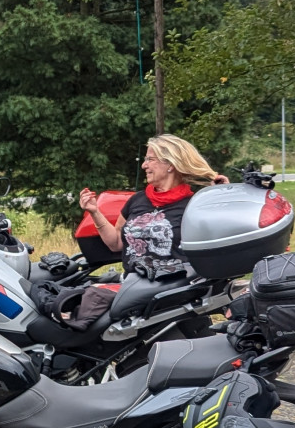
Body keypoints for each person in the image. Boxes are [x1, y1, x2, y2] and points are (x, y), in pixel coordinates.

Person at [67, 135, 226, 327]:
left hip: (171, 291)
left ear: (170, 164)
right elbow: (116, 243)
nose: (144, 165)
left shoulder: (193, 205)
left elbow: (218, 236)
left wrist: (218, 196)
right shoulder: (137, 200)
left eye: (150, 159)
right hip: (134, 289)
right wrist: (94, 212)